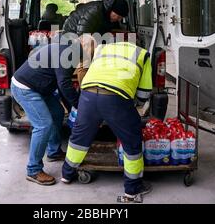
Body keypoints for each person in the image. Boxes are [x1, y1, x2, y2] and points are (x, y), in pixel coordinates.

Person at [61, 41, 153, 202]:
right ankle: (133, 188)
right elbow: (144, 94)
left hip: (88, 94)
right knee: (131, 140)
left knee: (79, 137)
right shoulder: (142, 54)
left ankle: (67, 174)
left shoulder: (102, 49)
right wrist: (132, 105)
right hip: (115, 98)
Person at [10, 38, 85, 186]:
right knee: (44, 125)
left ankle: (53, 151)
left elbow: (62, 84)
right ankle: (33, 170)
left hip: (39, 87)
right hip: (25, 88)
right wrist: (78, 106)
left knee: (57, 112)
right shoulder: (68, 54)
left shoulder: (65, 49)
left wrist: (73, 109)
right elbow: (64, 84)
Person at [63, 0, 129, 83]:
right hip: (72, 32)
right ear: (112, 10)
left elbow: (103, 33)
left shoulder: (107, 16)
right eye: (118, 16)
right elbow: (83, 32)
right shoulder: (95, 10)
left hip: (87, 33)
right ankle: (84, 89)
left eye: (121, 18)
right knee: (86, 61)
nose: (118, 19)